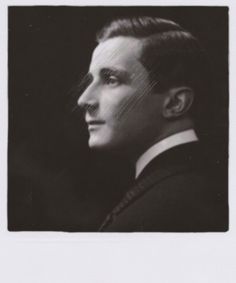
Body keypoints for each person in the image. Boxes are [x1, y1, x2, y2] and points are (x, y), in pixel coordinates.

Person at [78, 16, 228, 232]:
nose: (83, 99)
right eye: (91, 81)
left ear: (175, 103)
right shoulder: (197, 186)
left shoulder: (167, 208)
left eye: (111, 80)